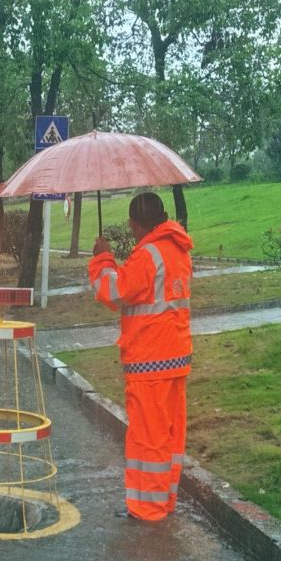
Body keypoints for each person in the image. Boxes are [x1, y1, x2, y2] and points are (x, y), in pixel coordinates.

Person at [87, 192, 193, 522]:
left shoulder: (148, 254)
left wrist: (102, 259)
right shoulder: (177, 249)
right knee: (170, 435)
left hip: (149, 361)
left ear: (135, 223)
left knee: (148, 438)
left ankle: (148, 509)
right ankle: (163, 499)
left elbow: (114, 291)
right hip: (175, 357)